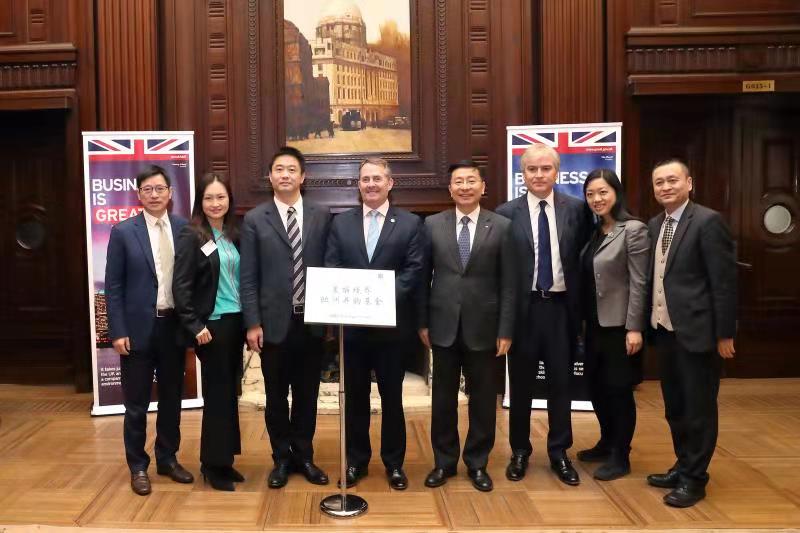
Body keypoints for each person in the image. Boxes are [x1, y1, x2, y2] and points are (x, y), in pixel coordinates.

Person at [324, 157, 424, 490]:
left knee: (392, 399)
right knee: (355, 399)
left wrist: (379, 297)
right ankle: (356, 461)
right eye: (365, 179)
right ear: (358, 185)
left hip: (392, 330)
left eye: (377, 178)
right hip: (352, 331)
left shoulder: (410, 223)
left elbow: (414, 271)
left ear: (389, 183)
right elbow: (332, 266)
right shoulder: (341, 223)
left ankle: (394, 464)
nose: (371, 184)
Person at [496, 144, 593, 486]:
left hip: (561, 310)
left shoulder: (578, 210)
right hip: (523, 311)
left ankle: (559, 452)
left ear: (557, 171)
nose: (539, 175)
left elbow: (585, 261)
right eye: (532, 169)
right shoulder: (506, 213)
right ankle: (520, 452)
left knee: (561, 385)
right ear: (522, 174)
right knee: (520, 386)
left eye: (545, 168)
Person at [418, 161, 516, 492]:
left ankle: (477, 463)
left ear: (483, 187)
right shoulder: (432, 224)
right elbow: (422, 278)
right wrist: (422, 322)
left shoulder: (501, 226)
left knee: (483, 400)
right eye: (458, 182)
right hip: (442, 325)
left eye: (470, 181)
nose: (464, 187)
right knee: (442, 400)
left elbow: (509, 283)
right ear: (450, 189)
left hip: (486, 327)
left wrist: (506, 329)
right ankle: (444, 463)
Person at [645, 158, 736, 507]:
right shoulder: (655, 224)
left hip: (698, 332)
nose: (665, 187)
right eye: (659, 182)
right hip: (665, 331)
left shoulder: (708, 222)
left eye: (672, 180)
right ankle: (683, 465)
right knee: (675, 407)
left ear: (689, 183)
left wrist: (725, 334)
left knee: (699, 409)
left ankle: (695, 479)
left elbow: (723, 283)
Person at [240, 146, 332, 488]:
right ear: (270, 176)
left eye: (292, 169)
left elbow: (331, 266)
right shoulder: (255, 219)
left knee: (308, 396)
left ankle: (304, 456)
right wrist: (252, 322)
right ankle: (280, 459)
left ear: (303, 176)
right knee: (276, 397)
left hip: (311, 322)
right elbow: (248, 277)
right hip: (272, 324)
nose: (285, 175)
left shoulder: (322, 215)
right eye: (279, 169)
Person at [105, 165, 194, 496]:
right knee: (136, 404)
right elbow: (113, 286)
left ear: (170, 193)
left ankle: (167, 459)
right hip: (138, 330)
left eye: (160, 189)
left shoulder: (185, 229)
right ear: (139, 194)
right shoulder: (123, 232)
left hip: (173, 328)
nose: (154, 195)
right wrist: (117, 331)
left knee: (172, 399)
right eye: (147, 190)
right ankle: (138, 466)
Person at [577, 169, 650, 481]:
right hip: (594, 325)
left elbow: (640, 282)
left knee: (619, 391)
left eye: (602, 192)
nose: (596, 199)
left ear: (617, 193)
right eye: (590, 194)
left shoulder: (633, 230)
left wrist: (634, 328)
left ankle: (621, 455)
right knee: (597, 387)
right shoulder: (595, 232)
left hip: (620, 326)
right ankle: (607, 442)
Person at [173, 173, 244, 491]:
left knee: (229, 394)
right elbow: (181, 285)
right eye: (209, 198)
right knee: (217, 395)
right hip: (211, 326)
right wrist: (194, 324)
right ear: (200, 202)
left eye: (221, 197)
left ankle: (224, 460)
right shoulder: (192, 235)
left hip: (234, 323)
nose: (216, 203)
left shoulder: (232, 233)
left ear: (229, 200)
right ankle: (212, 466)